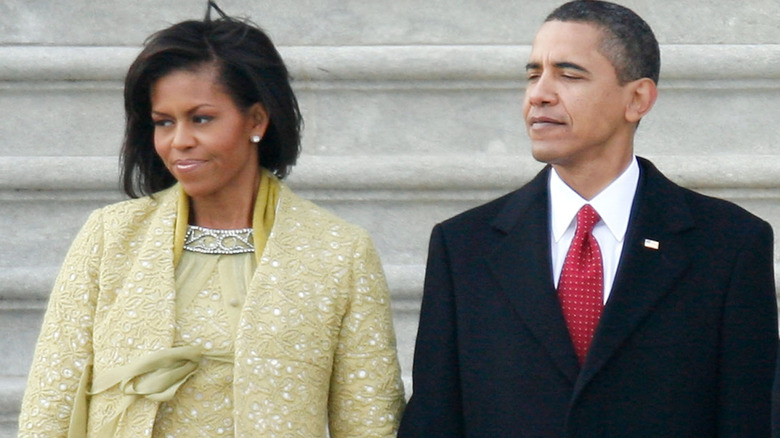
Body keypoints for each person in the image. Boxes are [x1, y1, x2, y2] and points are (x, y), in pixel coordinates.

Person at [18, 3, 404, 437]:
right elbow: (49, 402)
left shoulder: (339, 252)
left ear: (256, 119)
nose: (179, 141)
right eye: (164, 123)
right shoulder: (110, 236)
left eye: (201, 118)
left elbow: (371, 423)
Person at [398, 1, 777, 437]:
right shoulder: (463, 246)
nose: (539, 93)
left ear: (637, 98)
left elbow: (748, 418)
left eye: (569, 74)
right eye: (532, 74)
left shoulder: (729, 244)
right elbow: (434, 419)